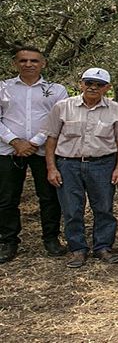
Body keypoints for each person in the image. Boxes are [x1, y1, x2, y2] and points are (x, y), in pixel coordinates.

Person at [44, 68, 118, 268]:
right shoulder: (63, 107)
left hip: (103, 164)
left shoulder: (115, 109)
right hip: (68, 164)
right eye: (89, 83)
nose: (93, 87)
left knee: (104, 208)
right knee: (71, 209)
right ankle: (77, 249)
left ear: (107, 88)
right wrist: (51, 167)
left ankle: (103, 247)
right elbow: (52, 138)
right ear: (81, 83)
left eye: (99, 84)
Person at [0, 46, 69, 263]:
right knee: (7, 198)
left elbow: (58, 119)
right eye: (23, 61)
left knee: (49, 196)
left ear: (43, 64)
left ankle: (51, 238)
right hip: (8, 149)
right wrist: (14, 141)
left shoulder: (56, 89)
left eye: (33, 61)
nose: (28, 64)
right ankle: (8, 240)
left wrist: (35, 142)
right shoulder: (3, 88)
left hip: (43, 150)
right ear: (15, 63)